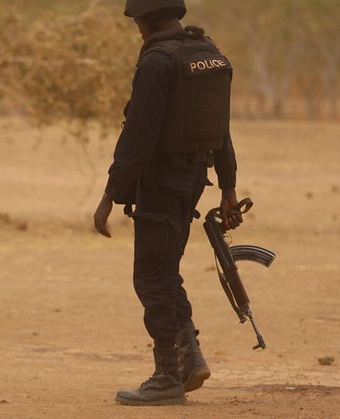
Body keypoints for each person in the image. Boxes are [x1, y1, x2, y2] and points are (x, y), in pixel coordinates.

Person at [92, 0, 244, 406]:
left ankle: (166, 376)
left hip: (161, 183)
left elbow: (137, 139)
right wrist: (228, 187)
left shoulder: (158, 62)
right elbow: (221, 129)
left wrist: (110, 196)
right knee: (165, 270)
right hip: (195, 179)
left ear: (143, 20)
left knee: (152, 278)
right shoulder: (209, 55)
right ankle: (189, 358)